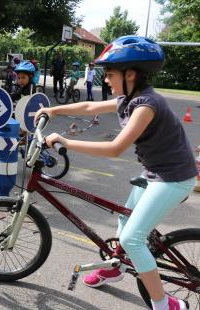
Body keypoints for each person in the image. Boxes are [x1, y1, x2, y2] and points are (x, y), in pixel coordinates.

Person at [35, 36, 197, 310]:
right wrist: (53, 109)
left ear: (130, 74)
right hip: (155, 172)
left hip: (174, 177)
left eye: (110, 75)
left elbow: (114, 148)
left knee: (132, 237)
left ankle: (162, 303)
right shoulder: (128, 99)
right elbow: (88, 107)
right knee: (124, 224)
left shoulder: (146, 105)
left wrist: (65, 141)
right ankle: (117, 267)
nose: (106, 80)